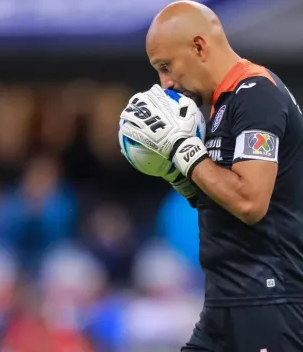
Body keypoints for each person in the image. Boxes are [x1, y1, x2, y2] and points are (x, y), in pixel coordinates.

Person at [120, 1, 303, 351]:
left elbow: (250, 201)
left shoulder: (257, 95)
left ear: (199, 47)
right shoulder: (222, 104)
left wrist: (181, 148)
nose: (166, 82)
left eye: (165, 66)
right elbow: (224, 203)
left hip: (270, 302)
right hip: (226, 300)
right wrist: (181, 178)